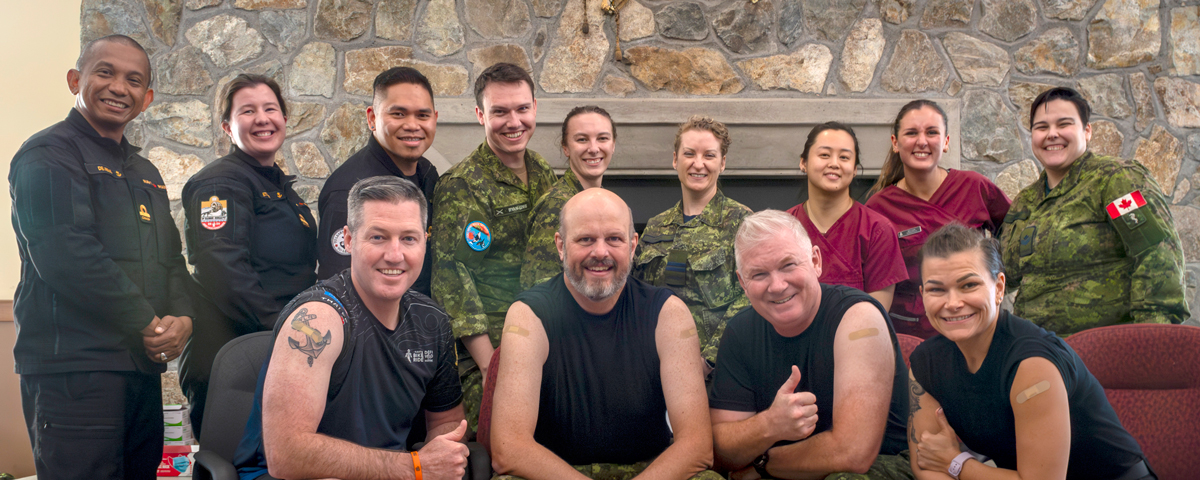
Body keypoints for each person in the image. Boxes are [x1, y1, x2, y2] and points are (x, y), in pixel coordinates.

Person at [10, 34, 194, 479]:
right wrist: (148, 323)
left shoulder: (145, 172)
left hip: (138, 369)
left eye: (134, 80)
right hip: (75, 371)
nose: (119, 87)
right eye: (105, 72)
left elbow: (172, 259)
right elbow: (65, 254)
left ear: (146, 98)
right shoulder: (47, 154)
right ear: (76, 79)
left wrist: (184, 319)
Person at [233, 176, 473, 480]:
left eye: (409, 238)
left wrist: (442, 453)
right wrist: (414, 468)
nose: (395, 255)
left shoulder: (432, 321)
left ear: (425, 241)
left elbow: (447, 422)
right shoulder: (318, 317)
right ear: (347, 240)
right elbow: (287, 455)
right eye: (378, 237)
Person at [491, 189, 718, 480]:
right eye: (585, 239)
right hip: (553, 472)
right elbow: (509, 448)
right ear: (561, 246)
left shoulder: (668, 314)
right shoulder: (528, 316)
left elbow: (697, 446)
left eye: (614, 239)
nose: (600, 252)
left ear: (633, 245)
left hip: (651, 471)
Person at [908, 223, 1153, 480]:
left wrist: (957, 462)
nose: (953, 303)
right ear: (923, 294)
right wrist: (947, 463)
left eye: (969, 285)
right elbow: (927, 464)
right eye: (937, 289)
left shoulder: (1032, 364)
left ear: (999, 288)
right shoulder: (926, 362)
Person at [709, 210, 911, 480]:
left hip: (876, 468)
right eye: (758, 275)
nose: (777, 286)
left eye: (788, 265)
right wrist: (770, 425)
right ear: (743, 284)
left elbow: (853, 453)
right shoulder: (739, 331)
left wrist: (762, 464)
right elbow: (720, 451)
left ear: (815, 261)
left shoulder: (859, 319)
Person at [179, 74, 318, 438]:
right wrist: (283, 327)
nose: (262, 118)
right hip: (232, 354)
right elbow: (223, 269)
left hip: (274, 346)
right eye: (248, 111)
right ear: (227, 126)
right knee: (235, 465)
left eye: (270, 108)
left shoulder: (277, 185)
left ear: (285, 120)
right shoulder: (219, 185)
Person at [999, 87, 1187, 335]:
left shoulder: (1115, 180)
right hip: (1037, 350)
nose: (1052, 134)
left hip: (1106, 350)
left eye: (1063, 124)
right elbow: (1006, 275)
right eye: (1041, 127)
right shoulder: (1025, 201)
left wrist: (1151, 338)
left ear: (1087, 131)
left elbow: (1158, 253)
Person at [431, 62, 556, 431]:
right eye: (499, 112)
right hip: (492, 344)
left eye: (522, 109)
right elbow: (454, 277)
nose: (513, 122)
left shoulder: (542, 170)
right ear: (480, 115)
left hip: (547, 332)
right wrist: (491, 367)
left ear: (535, 108)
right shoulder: (462, 185)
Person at [865, 99, 1011, 339]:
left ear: (945, 142)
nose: (922, 141)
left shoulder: (975, 187)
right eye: (911, 133)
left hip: (973, 329)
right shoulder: (878, 207)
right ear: (895, 143)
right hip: (909, 335)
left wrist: (996, 285)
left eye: (932, 132)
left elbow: (1015, 234)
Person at [634, 115, 751, 372]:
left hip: (717, 371)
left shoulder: (742, 222)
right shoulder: (655, 226)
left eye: (709, 155)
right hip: (654, 363)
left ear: (722, 163)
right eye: (689, 154)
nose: (698, 164)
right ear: (675, 159)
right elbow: (636, 294)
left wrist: (708, 360)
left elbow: (752, 296)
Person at [317, 67, 439, 297]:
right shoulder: (347, 190)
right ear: (372, 118)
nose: (412, 125)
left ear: (435, 119)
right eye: (399, 114)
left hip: (421, 321)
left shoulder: (428, 174)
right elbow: (339, 291)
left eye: (422, 115)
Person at [787, 122, 906, 310]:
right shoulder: (784, 228)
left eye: (844, 157)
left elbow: (876, 312)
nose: (834, 164)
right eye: (824, 155)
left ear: (855, 169)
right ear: (804, 163)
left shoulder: (877, 230)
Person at [521, 105, 617, 290]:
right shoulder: (557, 206)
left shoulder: (606, 202)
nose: (593, 148)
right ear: (566, 148)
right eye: (582, 140)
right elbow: (540, 286)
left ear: (613, 145)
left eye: (602, 138)